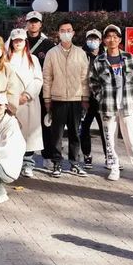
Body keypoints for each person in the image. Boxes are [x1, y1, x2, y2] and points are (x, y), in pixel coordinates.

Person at [89, 25, 133, 184]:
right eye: (109, 37)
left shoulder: (129, 58)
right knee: (110, 140)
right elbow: (93, 82)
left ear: (120, 40)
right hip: (108, 106)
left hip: (128, 106)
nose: (112, 40)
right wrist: (101, 97)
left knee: (132, 140)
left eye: (115, 37)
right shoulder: (99, 61)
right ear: (104, 40)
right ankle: (114, 168)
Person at [42, 20, 90, 178]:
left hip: (76, 99)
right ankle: (57, 163)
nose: (66, 33)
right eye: (63, 30)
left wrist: (85, 98)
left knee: (75, 133)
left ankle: (75, 162)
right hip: (57, 98)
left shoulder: (80, 53)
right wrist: (47, 99)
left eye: (69, 30)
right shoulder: (52, 53)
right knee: (57, 133)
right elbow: (47, 78)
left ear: (73, 33)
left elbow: (84, 78)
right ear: (58, 33)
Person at [7, 28, 44, 178]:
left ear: (25, 42)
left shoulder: (33, 59)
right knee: (11, 135)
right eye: (15, 41)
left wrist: (27, 94)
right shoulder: (5, 59)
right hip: (11, 102)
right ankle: (12, 164)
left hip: (28, 102)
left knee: (29, 134)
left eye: (20, 40)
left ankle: (28, 164)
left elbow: (38, 79)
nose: (18, 43)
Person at [25, 11, 56, 168]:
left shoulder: (48, 44)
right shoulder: (18, 40)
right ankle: (25, 158)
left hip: (42, 90)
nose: (33, 24)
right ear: (26, 23)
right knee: (25, 124)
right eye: (31, 21)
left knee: (46, 124)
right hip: (24, 90)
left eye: (36, 21)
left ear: (40, 24)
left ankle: (47, 156)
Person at [80, 29, 108, 170]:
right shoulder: (81, 55)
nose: (93, 41)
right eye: (90, 39)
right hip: (86, 98)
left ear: (100, 40)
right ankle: (87, 155)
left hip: (102, 99)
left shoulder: (106, 56)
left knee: (105, 128)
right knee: (84, 128)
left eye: (95, 39)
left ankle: (109, 156)